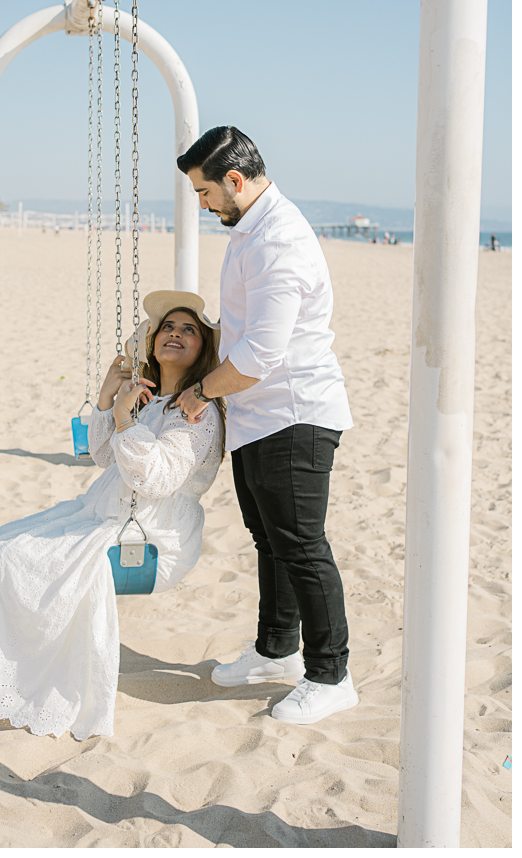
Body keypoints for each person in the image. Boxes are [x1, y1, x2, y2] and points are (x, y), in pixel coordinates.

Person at [0, 291, 224, 740]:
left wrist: (126, 419)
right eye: (169, 327)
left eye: (190, 331)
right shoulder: (151, 398)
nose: (176, 335)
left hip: (148, 533)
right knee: (2, 541)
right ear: (152, 340)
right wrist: (111, 398)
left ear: (203, 348)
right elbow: (104, 455)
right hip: (107, 509)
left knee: (16, 557)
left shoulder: (196, 409)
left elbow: (157, 479)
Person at [176, 126, 358, 726]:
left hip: (295, 413)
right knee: (270, 539)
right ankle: (275, 650)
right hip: (257, 416)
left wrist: (200, 392)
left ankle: (332, 675)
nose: (203, 205)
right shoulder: (248, 227)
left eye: (206, 192)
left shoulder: (279, 240)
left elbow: (261, 356)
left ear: (234, 180)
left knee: (302, 547)